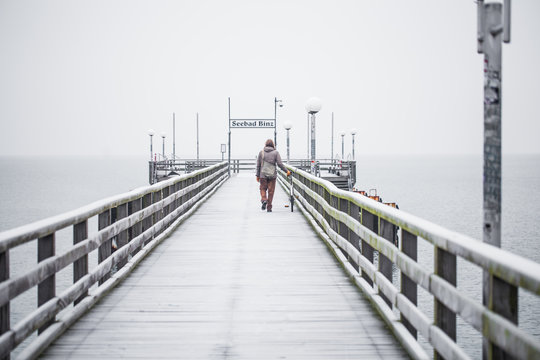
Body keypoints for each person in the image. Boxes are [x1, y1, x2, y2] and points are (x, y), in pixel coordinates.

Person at [256, 139, 290, 212]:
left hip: (262, 174)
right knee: (271, 191)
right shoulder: (276, 153)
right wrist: (286, 171)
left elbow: (258, 165)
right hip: (272, 175)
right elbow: (280, 164)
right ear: (273, 145)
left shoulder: (261, 152)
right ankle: (269, 207)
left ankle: (264, 199)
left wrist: (257, 175)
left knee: (262, 188)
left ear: (265, 144)